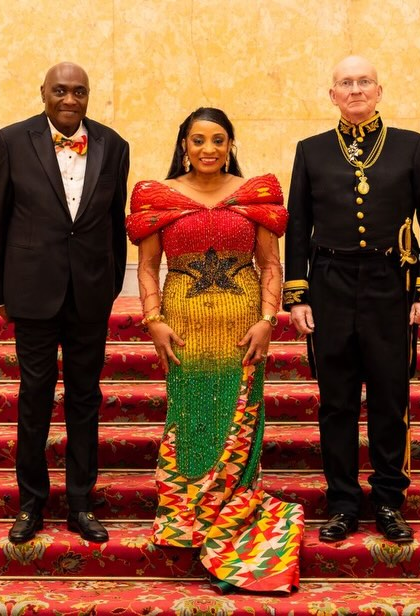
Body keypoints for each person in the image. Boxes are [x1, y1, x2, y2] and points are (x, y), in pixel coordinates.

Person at [126, 108, 303, 593]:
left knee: (239, 422)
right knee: (190, 419)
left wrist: (267, 320)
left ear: (230, 145)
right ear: (184, 144)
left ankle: (234, 531)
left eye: (219, 140)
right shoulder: (157, 197)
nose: (209, 149)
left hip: (243, 331)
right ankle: (189, 524)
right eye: (198, 140)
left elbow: (271, 265)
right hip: (182, 330)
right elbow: (147, 267)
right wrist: (154, 320)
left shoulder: (254, 195)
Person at [283, 55, 420, 544]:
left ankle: (389, 501)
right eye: (345, 83)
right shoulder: (311, 150)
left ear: (379, 91)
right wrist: (297, 294)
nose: (355, 90)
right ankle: (343, 503)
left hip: (388, 285)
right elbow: (298, 226)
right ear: (332, 94)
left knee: (389, 398)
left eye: (364, 82)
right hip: (330, 285)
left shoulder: (411, 146)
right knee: (336, 402)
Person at [0, 61, 130, 544]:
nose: (70, 99)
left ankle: (81, 504)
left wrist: (111, 284)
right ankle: (31, 504)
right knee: (36, 398)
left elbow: (114, 223)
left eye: (79, 91)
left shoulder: (114, 145)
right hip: (31, 292)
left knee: (86, 399)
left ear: (89, 95)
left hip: (90, 293)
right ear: (43, 92)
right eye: (60, 90)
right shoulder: (11, 140)